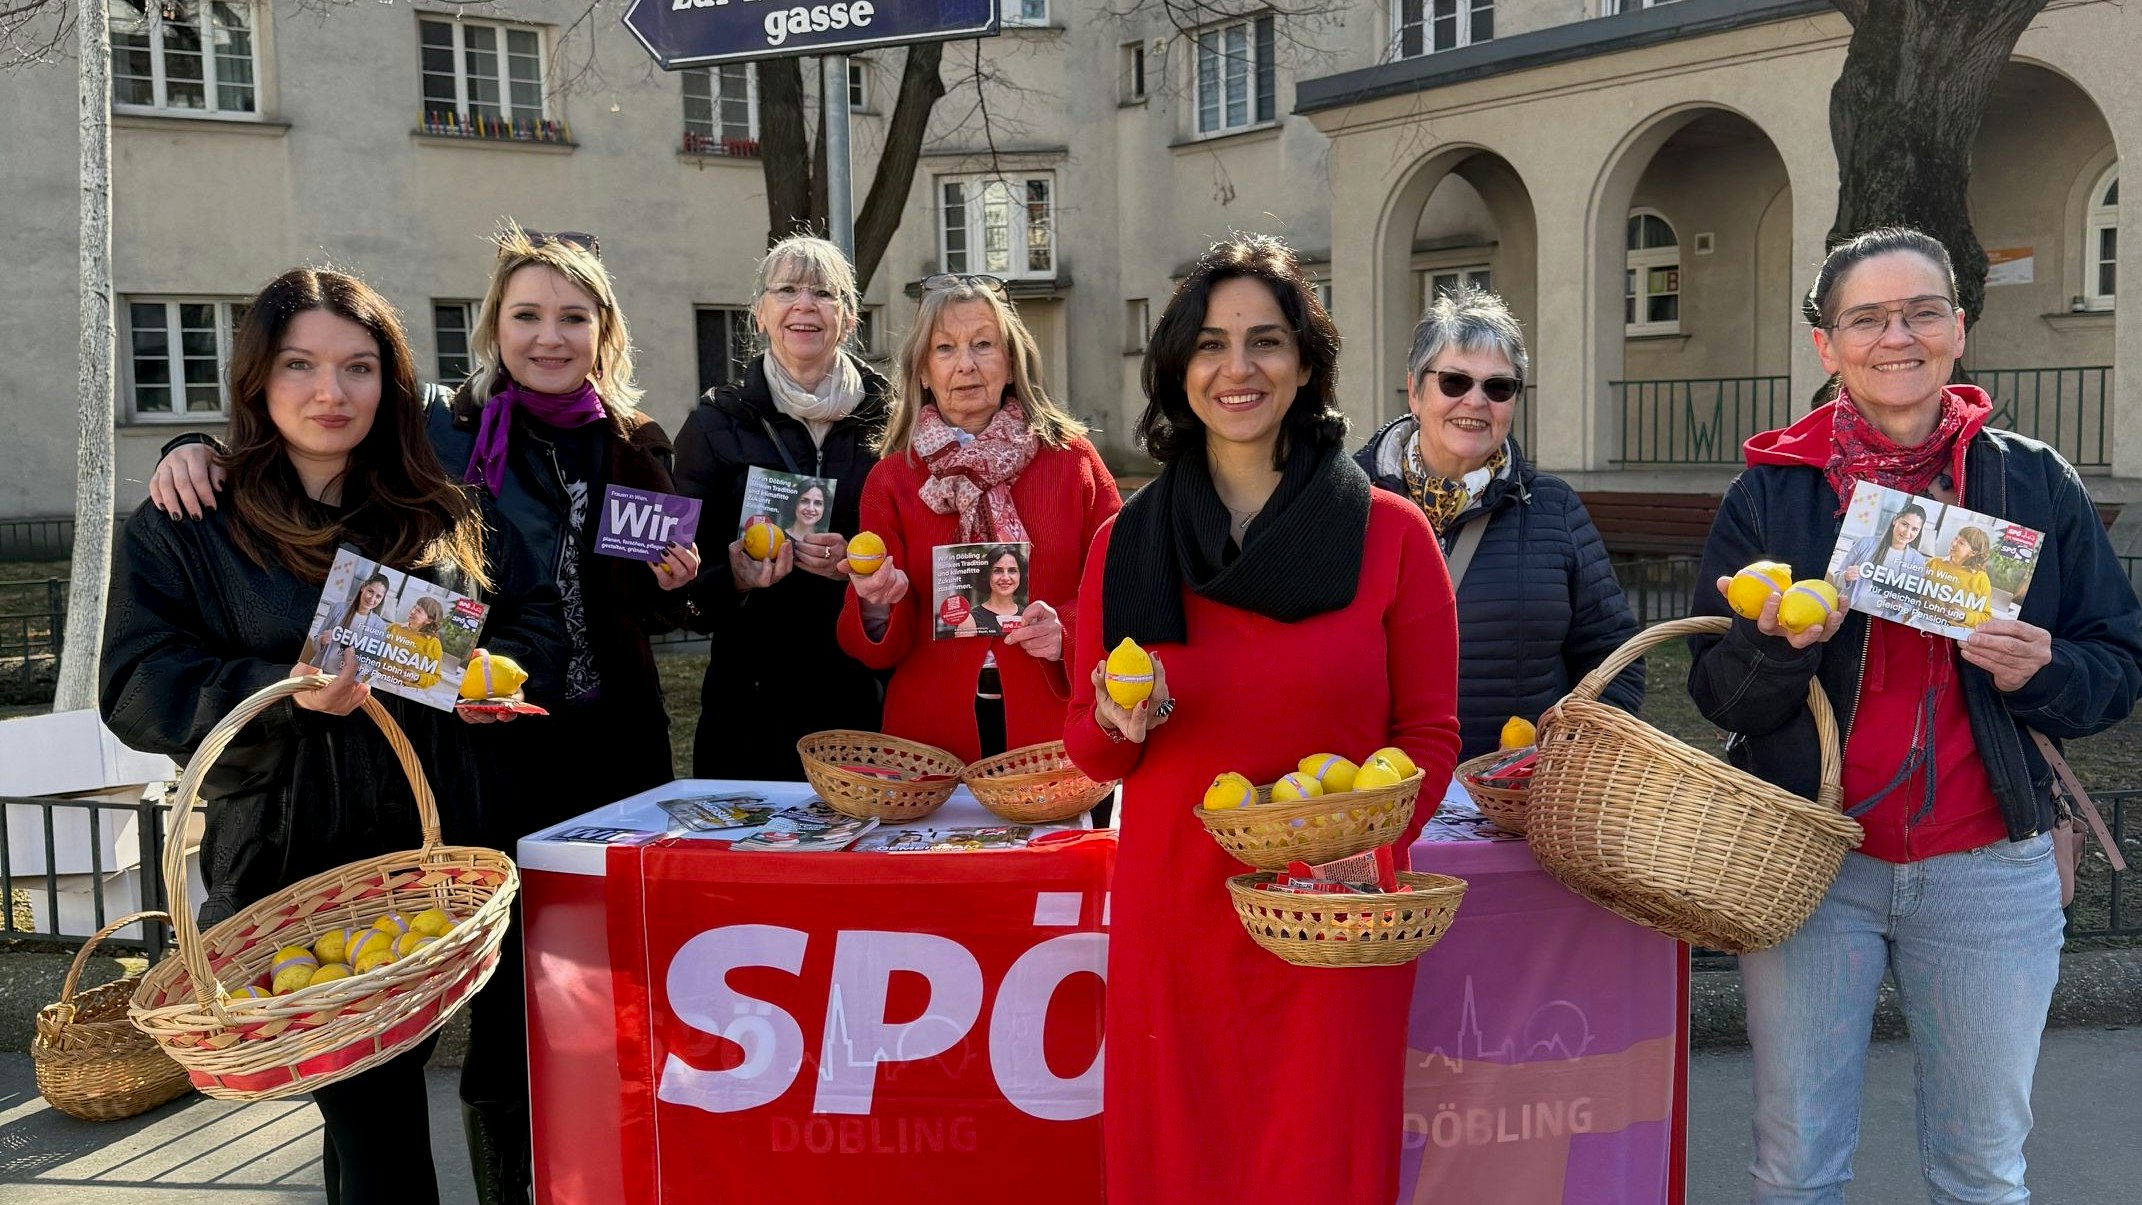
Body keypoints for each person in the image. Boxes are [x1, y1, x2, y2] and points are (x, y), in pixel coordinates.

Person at [146, 224, 700, 1205]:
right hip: (398, 805)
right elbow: (151, 671)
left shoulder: (623, 442)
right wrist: (193, 448)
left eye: (573, 316)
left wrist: (668, 586)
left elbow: (581, 610)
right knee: (412, 1082)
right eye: (527, 314)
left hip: (561, 769)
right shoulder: (442, 433)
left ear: (604, 328)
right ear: (495, 325)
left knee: (549, 1017)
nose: (549, 335)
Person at [1687, 227, 2142, 1205]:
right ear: (1827, 344)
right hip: (1812, 867)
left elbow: (2117, 666)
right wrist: (1778, 647)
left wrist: (2047, 668)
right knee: (1795, 1167)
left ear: (1958, 328)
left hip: (1989, 867)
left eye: (1921, 311)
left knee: (1981, 1171)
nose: (1897, 336)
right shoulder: (1773, 490)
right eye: (1867, 318)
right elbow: (1719, 694)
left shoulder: (2033, 480)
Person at [100, 269, 559, 1205]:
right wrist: (285, 695)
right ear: (257, 377)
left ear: (390, 381)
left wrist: (486, 679)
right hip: (293, 869)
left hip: (432, 856)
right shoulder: (189, 523)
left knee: (369, 1106)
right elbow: (137, 683)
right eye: (299, 365)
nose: (330, 392)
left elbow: (526, 622)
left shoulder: (441, 510)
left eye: (358, 367)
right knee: (374, 1113)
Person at [1064, 234, 1462, 1202]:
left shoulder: (1390, 534)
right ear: (1178, 369)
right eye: (1210, 344)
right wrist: (1119, 721)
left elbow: (1429, 736)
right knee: (1181, 1168)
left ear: (1307, 364)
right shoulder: (1127, 542)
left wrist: (1359, 850)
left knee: (1321, 1166)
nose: (1237, 367)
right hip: (1179, 920)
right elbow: (1088, 749)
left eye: (1266, 341)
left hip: (1331, 914)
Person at [838, 274, 1120, 763]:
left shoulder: (1073, 461)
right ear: (923, 372)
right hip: (931, 741)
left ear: (1010, 362)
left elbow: (1122, 583)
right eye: (944, 348)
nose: (965, 364)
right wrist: (877, 604)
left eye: (983, 344)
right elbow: (871, 648)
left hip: (1053, 734)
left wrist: (1067, 631)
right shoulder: (893, 478)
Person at [1355, 284, 1641, 760]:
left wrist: (1568, 756)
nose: (1475, 401)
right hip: (1378, 787)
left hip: (1512, 793)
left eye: (1498, 387)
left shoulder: (1553, 508)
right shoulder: (1347, 503)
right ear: (1415, 391)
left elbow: (1613, 656)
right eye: (1454, 382)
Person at [672, 235, 890, 780]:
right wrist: (734, 578)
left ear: (849, 318)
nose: (804, 305)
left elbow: (918, 549)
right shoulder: (713, 425)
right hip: (750, 703)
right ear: (760, 314)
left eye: (823, 292)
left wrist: (862, 568)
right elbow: (683, 593)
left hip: (862, 699)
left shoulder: (896, 422)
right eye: (787, 290)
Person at [1837, 502, 1930, 621]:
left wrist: (1899, 606)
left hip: (1882, 622)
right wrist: (1846, 576)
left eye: (1915, 529)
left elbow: (1912, 603)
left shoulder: (1918, 560)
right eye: (1904, 524)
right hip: (1848, 613)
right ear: (1895, 520)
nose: (1907, 533)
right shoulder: (1865, 543)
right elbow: (1837, 576)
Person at [314, 572, 390, 673]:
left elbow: (372, 664)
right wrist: (322, 640)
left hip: (347, 679)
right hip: (320, 671)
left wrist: (360, 663)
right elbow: (315, 641)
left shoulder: (380, 626)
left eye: (378, 596)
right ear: (363, 587)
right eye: (370, 591)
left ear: (382, 599)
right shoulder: (338, 608)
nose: (372, 599)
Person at [1927, 525, 1996, 627]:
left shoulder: (1981, 578)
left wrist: (1964, 616)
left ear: (1973, 552)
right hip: (1926, 621)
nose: (1954, 543)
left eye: (1961, 543)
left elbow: (1985, 616)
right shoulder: (1934, 562)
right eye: (1956, 538)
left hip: (1955, 629)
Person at [956, 544, 1027, 636]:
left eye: (1012, 570)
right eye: (997, 571)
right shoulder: (970, 621)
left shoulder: (1028, 616)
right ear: (987, 575)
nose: (1005, 577)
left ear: (1020, 575)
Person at [381, 595, 447, 691]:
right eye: (414, 607)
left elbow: (436, 677)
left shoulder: (434, 644)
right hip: (381, 682)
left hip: (408, 691)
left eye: (418, 611)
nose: (412, 611)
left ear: (428, 620)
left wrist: (417, 678)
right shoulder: (394, 628)